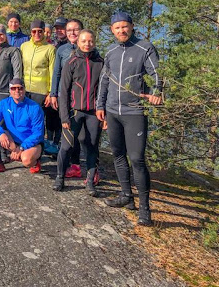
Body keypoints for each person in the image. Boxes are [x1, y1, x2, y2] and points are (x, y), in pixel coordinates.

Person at [96, 12, 162, 226]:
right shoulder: (111, 51)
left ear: (132, 27)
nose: (121, 31)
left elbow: (157, 74)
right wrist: (100, 106)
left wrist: (157, 92)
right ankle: (126, 195)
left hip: (134, 112)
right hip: (112, 111)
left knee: (137, 159)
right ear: (112, 30)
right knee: (118, 154)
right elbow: (104, 81)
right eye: (117, 28)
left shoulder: (145, 48)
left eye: (124, 27)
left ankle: (145, 208)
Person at [54, 30, 104, 195]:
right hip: (74, 112)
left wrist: (104, 113)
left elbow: (105, 90)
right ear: (78, 42)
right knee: (66, 146)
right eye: (84, 41)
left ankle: (90, 182)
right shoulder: (72, 62)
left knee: (91, 147)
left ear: (94, 42)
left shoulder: (100, 63)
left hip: (93, 113)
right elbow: (63, 91)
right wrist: (64, 116)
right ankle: (60, 177)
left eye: (90, 41)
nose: (87, 44)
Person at [50, 19, 86, 179]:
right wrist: (53, 94)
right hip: (65, 97)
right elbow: (56, 73)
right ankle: (67, 166)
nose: (72, 33)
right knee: (67, 131)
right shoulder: (62, 50)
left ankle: (78, 165)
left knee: (81, 134)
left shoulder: (88, 48)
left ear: (82, 31)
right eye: (69, 30)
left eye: (75, 29)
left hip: (82, 98)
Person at [0, 78, 44, 175]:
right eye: (13, 88)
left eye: (20, 88)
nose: (17, 91)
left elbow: (38, 133)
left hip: (31, 143)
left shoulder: (35, 107)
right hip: (13, 141)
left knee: (26, 160)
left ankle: (36, 162)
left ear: (24, 90)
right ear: (9, 91)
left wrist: (22, 147)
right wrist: (1, 133)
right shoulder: (4, 103)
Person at [20, 21, 59, 149]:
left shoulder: (50, 49)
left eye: (40, 31)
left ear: (44, 32)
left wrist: (50, 93)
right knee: (25, 120)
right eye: (34, 31)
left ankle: (38, 150)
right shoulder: (24, 46)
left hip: (41, 92)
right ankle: (26, 147)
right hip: (25, 91)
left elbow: (53, 72)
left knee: (37, 122)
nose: (37, 34)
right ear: (30, 32)